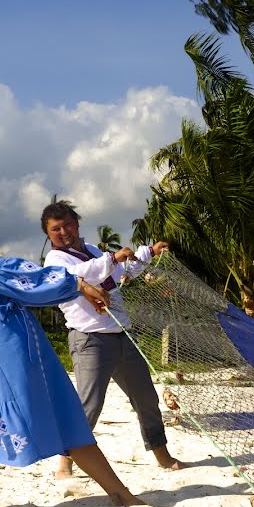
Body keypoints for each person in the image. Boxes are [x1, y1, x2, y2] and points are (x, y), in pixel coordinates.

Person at [0, 192, 144, 507]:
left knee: (67, 415)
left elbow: (21, 283)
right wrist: (77, 283)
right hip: (1, 343)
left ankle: (120, 492)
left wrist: (78, 285)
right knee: (1, 426)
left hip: (24, 340)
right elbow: (18, 275)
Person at [41, 201, 184, 479]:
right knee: (89, 404)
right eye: (55, 229)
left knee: (146, 398)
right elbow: (84, 276)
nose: (63, 231)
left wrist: (148, 253)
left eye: (68, 224)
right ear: (49, 235)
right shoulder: (56, 261)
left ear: (77, 224)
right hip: (89, 339)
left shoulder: (93, 250)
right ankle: (65, 462)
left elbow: (121, 275)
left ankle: (161, 454)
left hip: (123, 334)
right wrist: (113, 259)